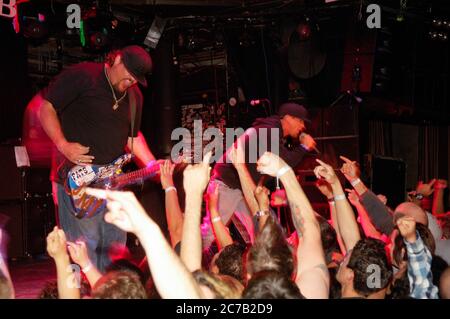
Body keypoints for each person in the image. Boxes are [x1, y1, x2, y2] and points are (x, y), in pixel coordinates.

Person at [38, 45, 156, 272]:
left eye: (136, 78)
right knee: (85, 248)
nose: (131, 80)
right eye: (129, 73)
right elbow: (47, 108)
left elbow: (132, 138)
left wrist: (152, 164)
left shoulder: (134, 98)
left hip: (112, 181)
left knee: (115, 246)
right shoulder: (83, 75)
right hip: (77, 179)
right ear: (118, 59)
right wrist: (63, 145)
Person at [201, 102, 317, 248]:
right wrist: (304, 147)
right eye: (300, 121)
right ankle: (188, 263)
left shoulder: (271, 131)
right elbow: (283, 162)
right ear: (287, 118)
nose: (303, 127)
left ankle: (258, 264)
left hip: (239, 187)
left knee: (259, 229)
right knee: (210, 233)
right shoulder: (269, 131)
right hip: (227, 183)